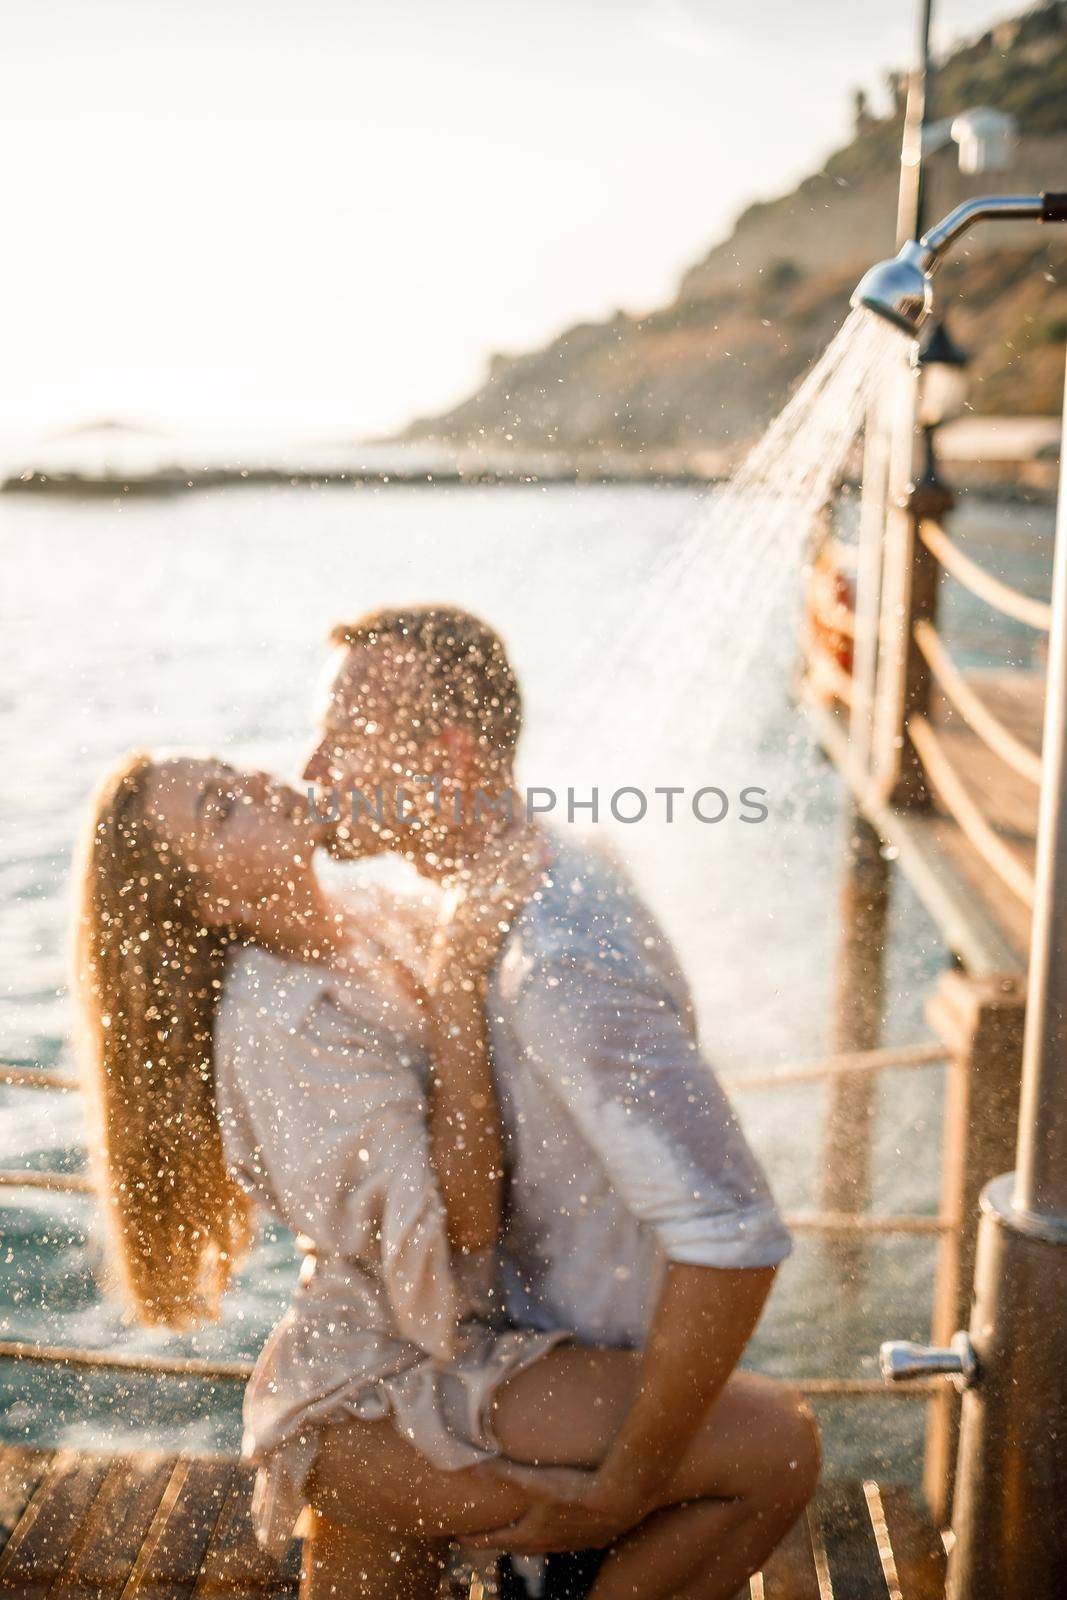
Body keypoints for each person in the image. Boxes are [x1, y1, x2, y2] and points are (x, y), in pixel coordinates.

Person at [297, 606, 820, 1599]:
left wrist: (630, 1480)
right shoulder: (487, 885)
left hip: (589, 1446)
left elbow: (734, 1235)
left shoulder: (555, 959)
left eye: (342, 738)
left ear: (447, 757)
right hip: (519, 1376)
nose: (313, 771)